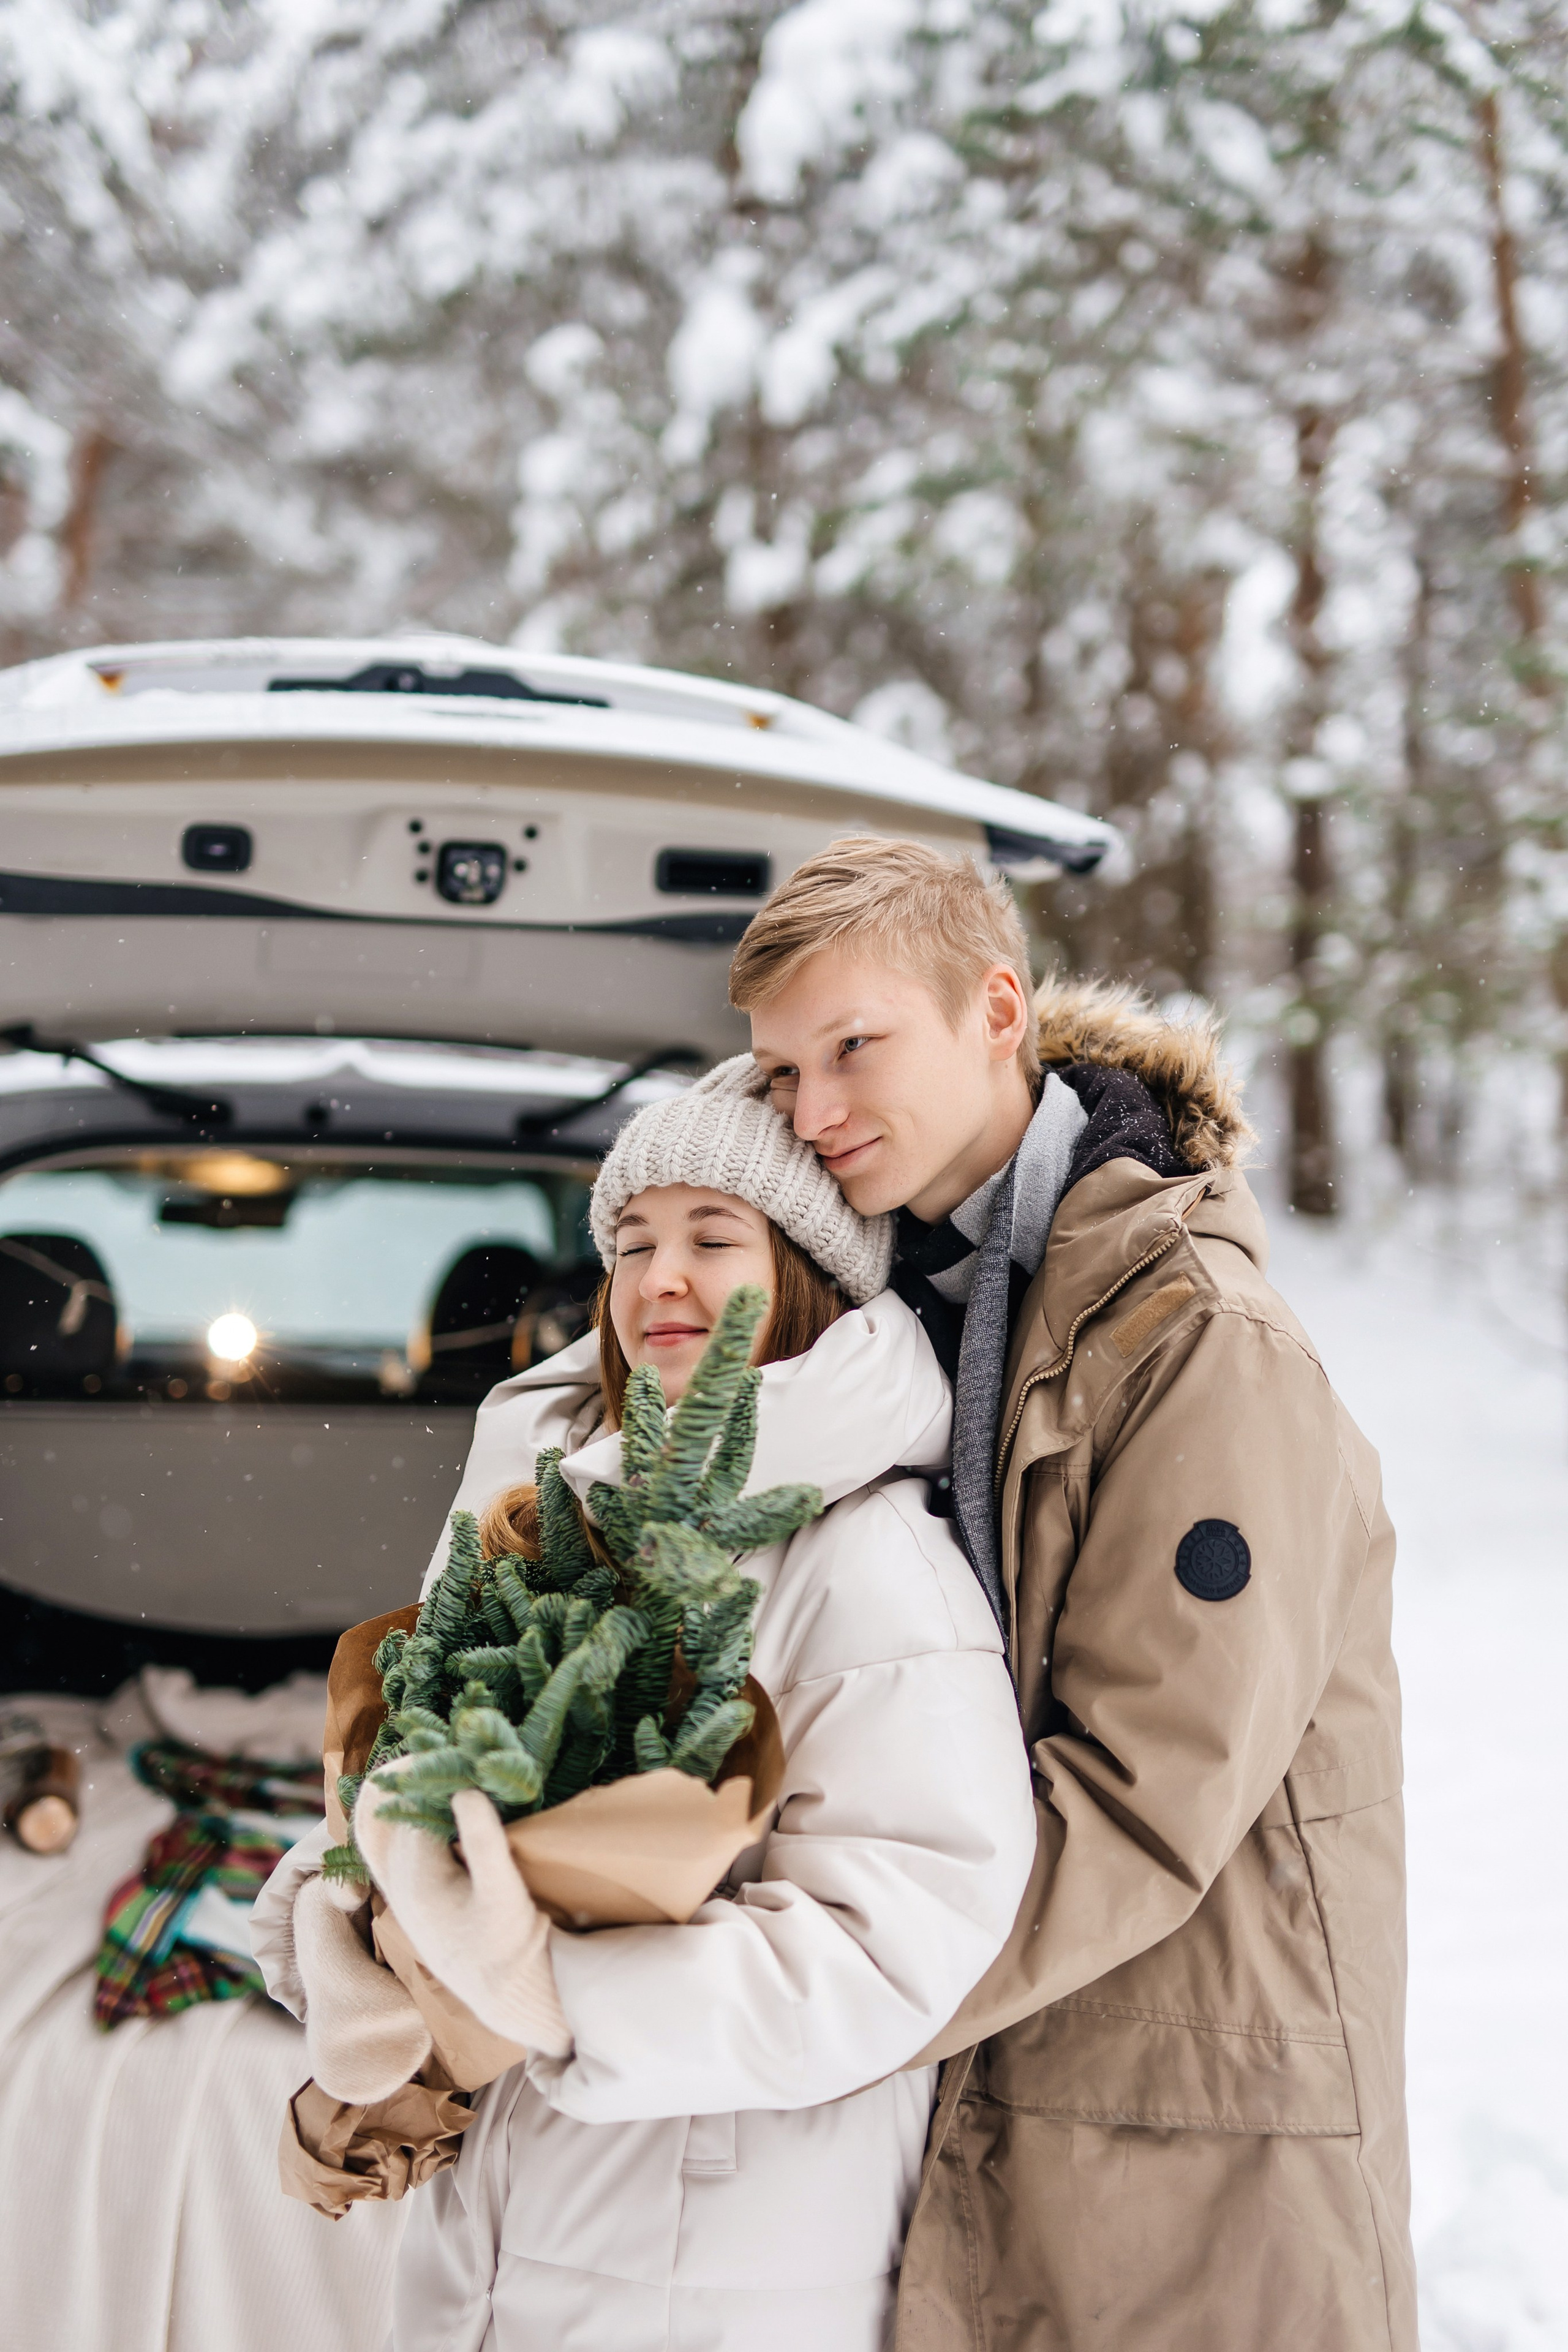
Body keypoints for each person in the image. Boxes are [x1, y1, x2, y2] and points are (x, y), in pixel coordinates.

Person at [732, 835, 1417, 2352]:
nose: (815, 1111)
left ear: (994, 1012)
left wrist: (794, 1995)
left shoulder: (1193, 1338)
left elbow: (1144, 1785)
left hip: (1190, 2121)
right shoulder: (892, 1312)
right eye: (779, 1075)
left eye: (853, 1047)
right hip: (1004, 2063)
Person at [254, 1061, 1037, 2352]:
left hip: (724, 2265)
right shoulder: (539, 1521)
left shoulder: (867, 1559)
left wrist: (555, 1989)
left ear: (804, 1274)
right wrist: (372, 1936)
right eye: (631, 1243)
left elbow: (894, 1941)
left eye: (710, 1239)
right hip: (504, 2244)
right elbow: (411, 1777)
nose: (657, 1278)